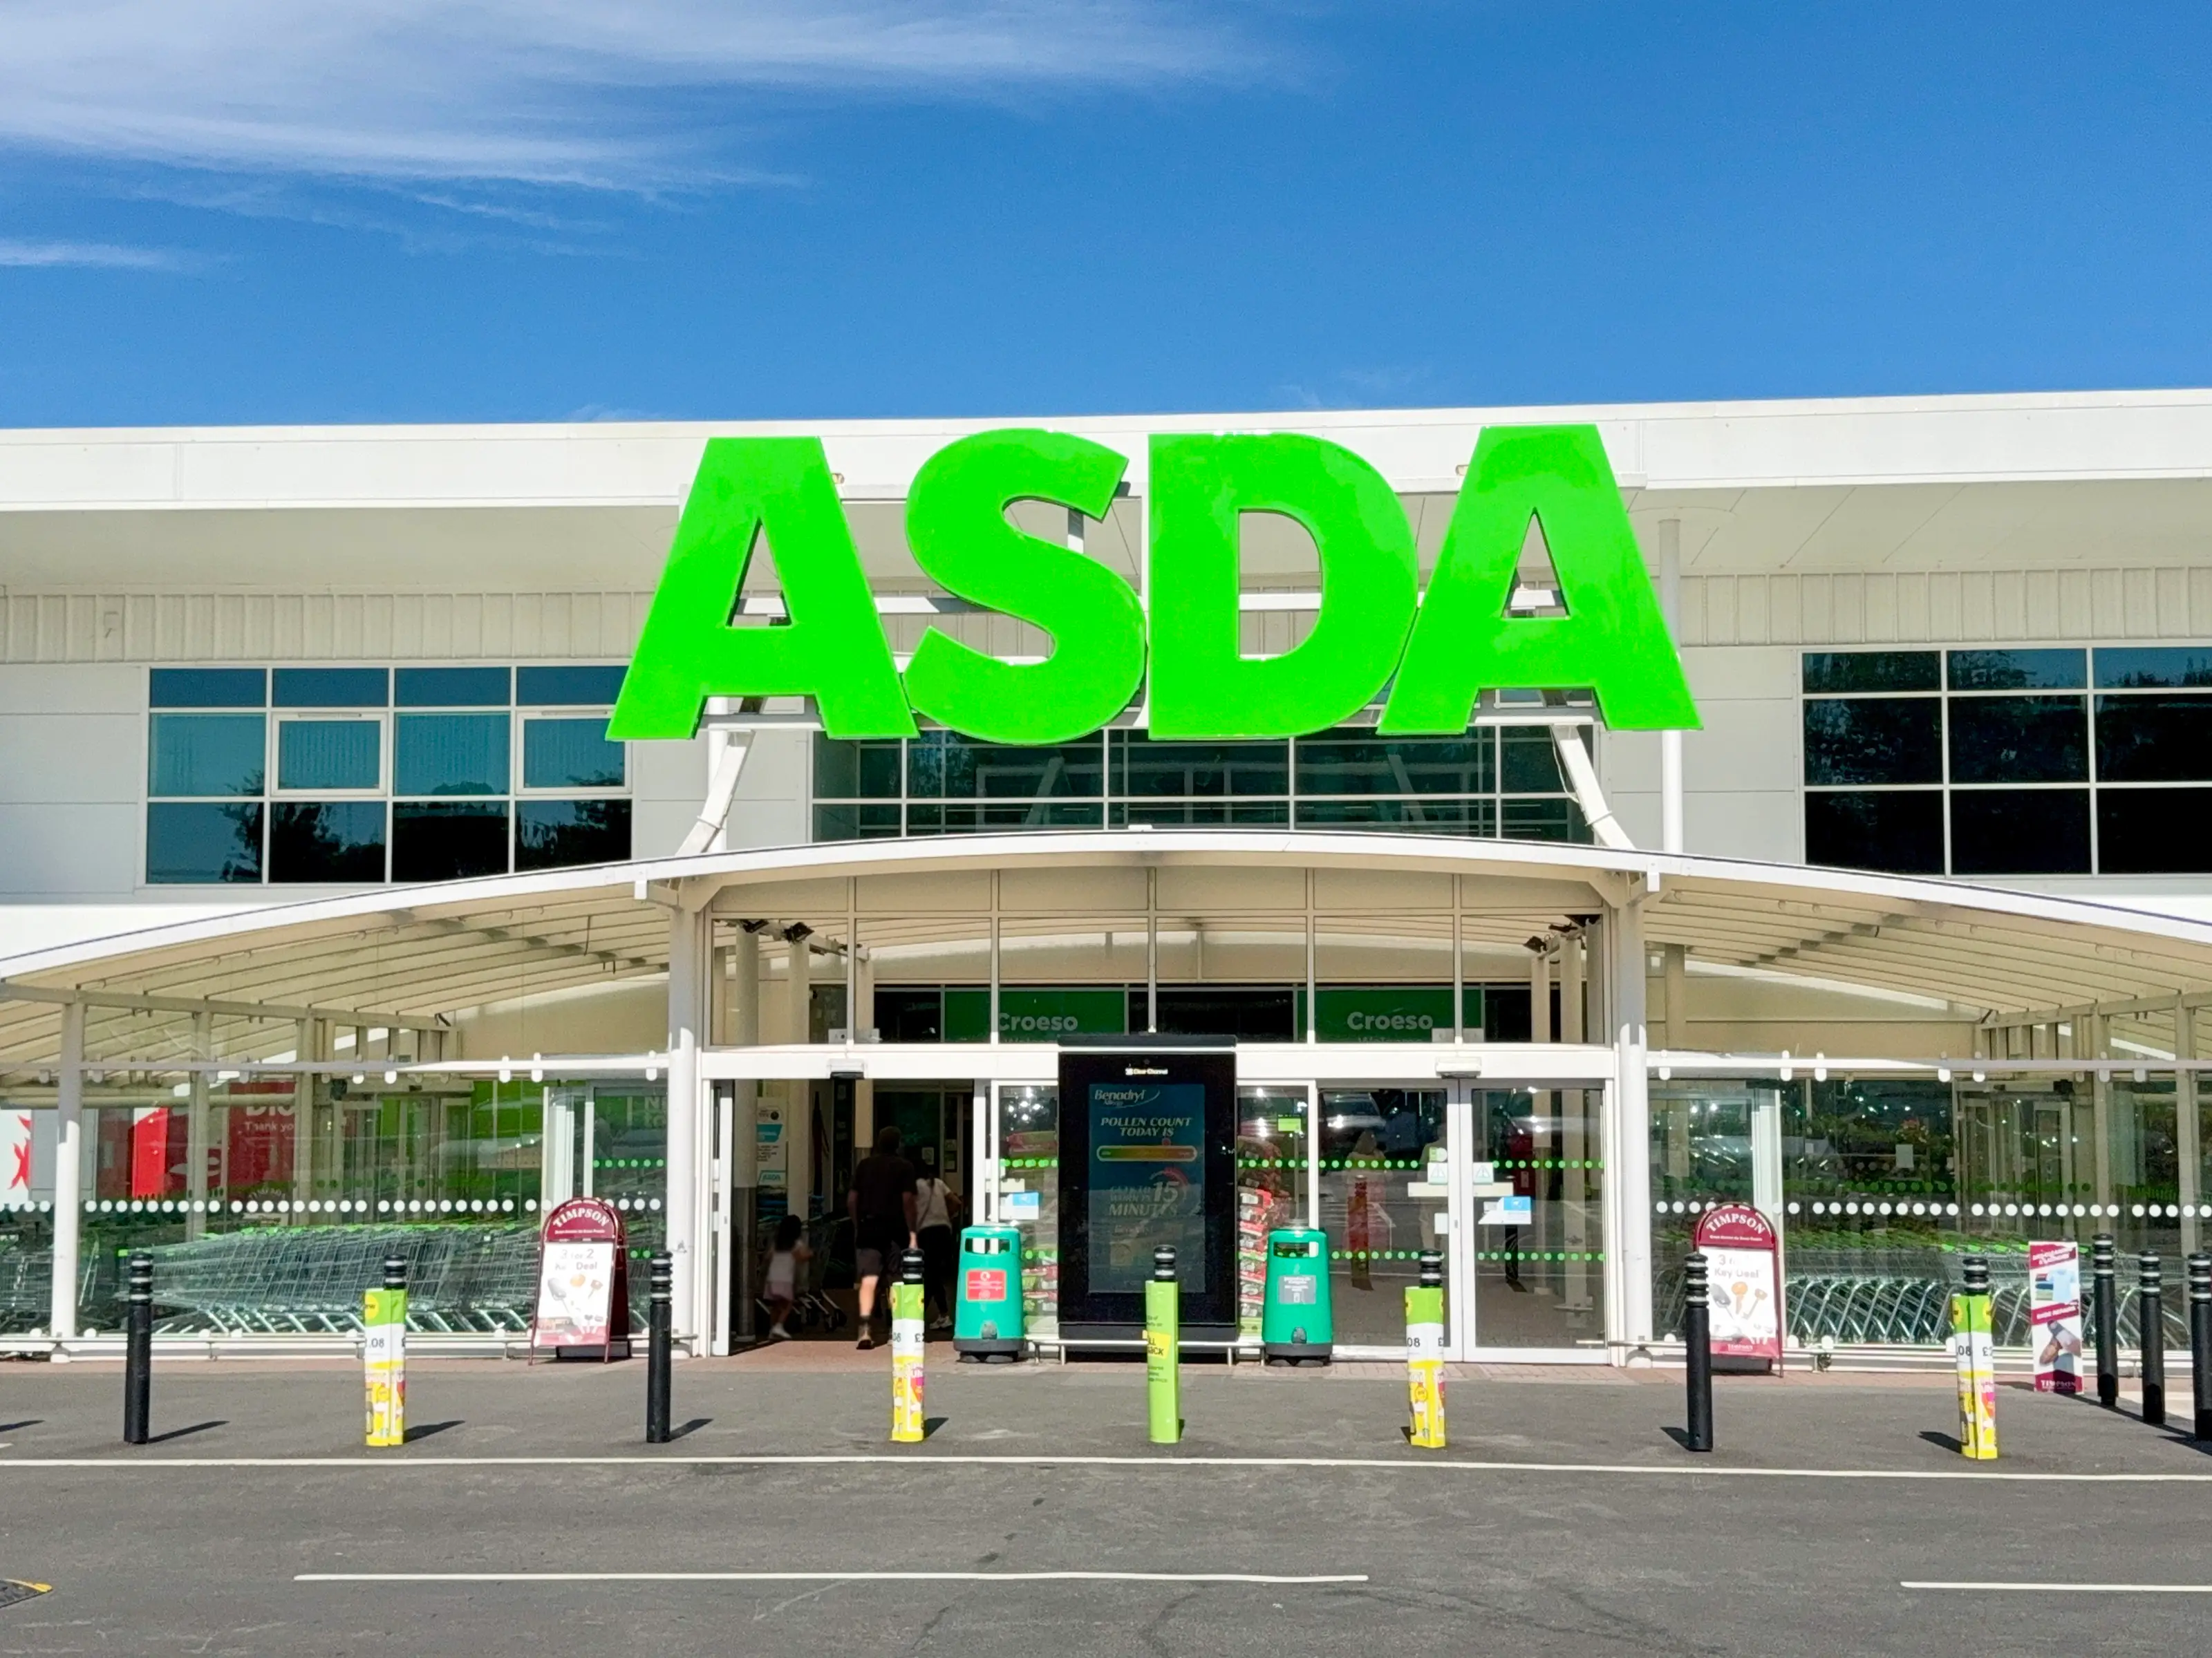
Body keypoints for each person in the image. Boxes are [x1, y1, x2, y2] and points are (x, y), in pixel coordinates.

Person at [847, 1124, 919, 1350]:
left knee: (868, 1281)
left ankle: (865, 1329)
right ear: (898, 1144)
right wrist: (913, 1232)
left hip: (869, 1227)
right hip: (895, 1228)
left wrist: (857, 1225)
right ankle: (894, 1330)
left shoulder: (864, 1166)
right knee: (895, 1281)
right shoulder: (904, 1167)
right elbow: (908, 1201)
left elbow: (852, 1199)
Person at [914, 1169, 960, 1331]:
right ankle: (940, 1314)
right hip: (944, 1230)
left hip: (926, 1232)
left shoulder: (915, 1186)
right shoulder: (939, 1184)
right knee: (934, 1273)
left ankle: (931, 1314)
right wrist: (947, 1215)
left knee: (930, 1274)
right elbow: (956, 1202)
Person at [761, 1213, 809, 1340]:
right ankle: (780, 1325)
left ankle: (772, 1329)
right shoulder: (797, 1244)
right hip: (786, 1279)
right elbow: (803, 1256)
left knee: (776, 1305)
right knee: (788, 1303)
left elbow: (768, 1257)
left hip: (772, 1278)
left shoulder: (777, 1244)